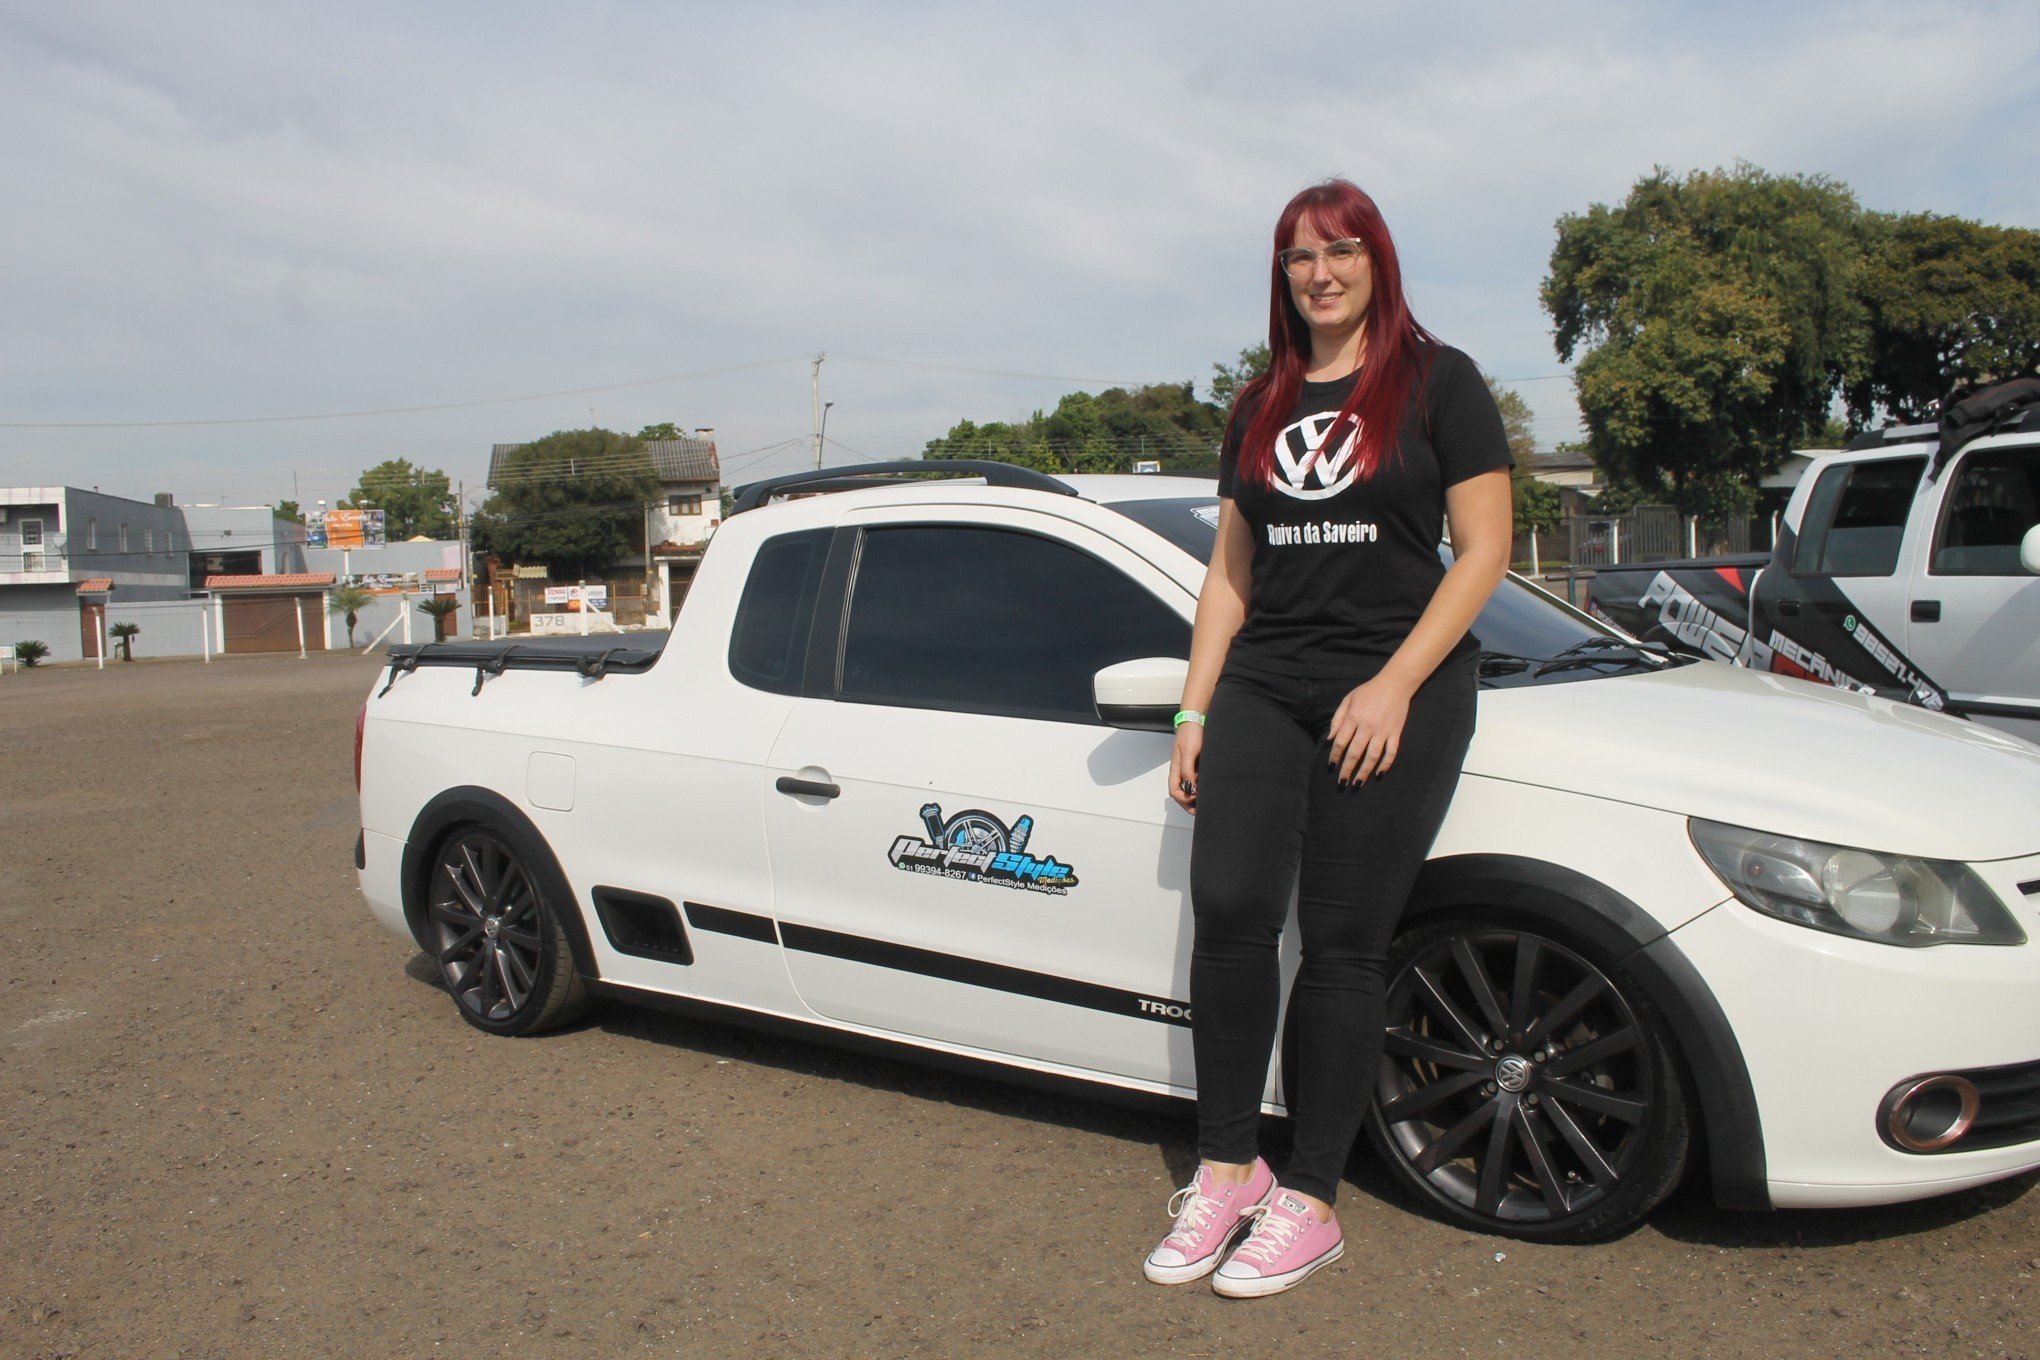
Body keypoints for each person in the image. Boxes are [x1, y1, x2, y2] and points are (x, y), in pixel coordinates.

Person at [1143, 178, 1514, 1299]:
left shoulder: (1439, 382)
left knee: (1345, 940)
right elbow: (1230, 573)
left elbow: (1485, 550)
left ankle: (1310, 1196)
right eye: (1300, 255)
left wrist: (1395, 683)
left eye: (1342, 251)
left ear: (1377, 261)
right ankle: (1227, 1170)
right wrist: (1197, 705)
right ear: (1282, 274)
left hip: (1396, 678)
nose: (1321, 272)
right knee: (1233, 914)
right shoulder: (1259, 403)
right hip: (1268, 679)